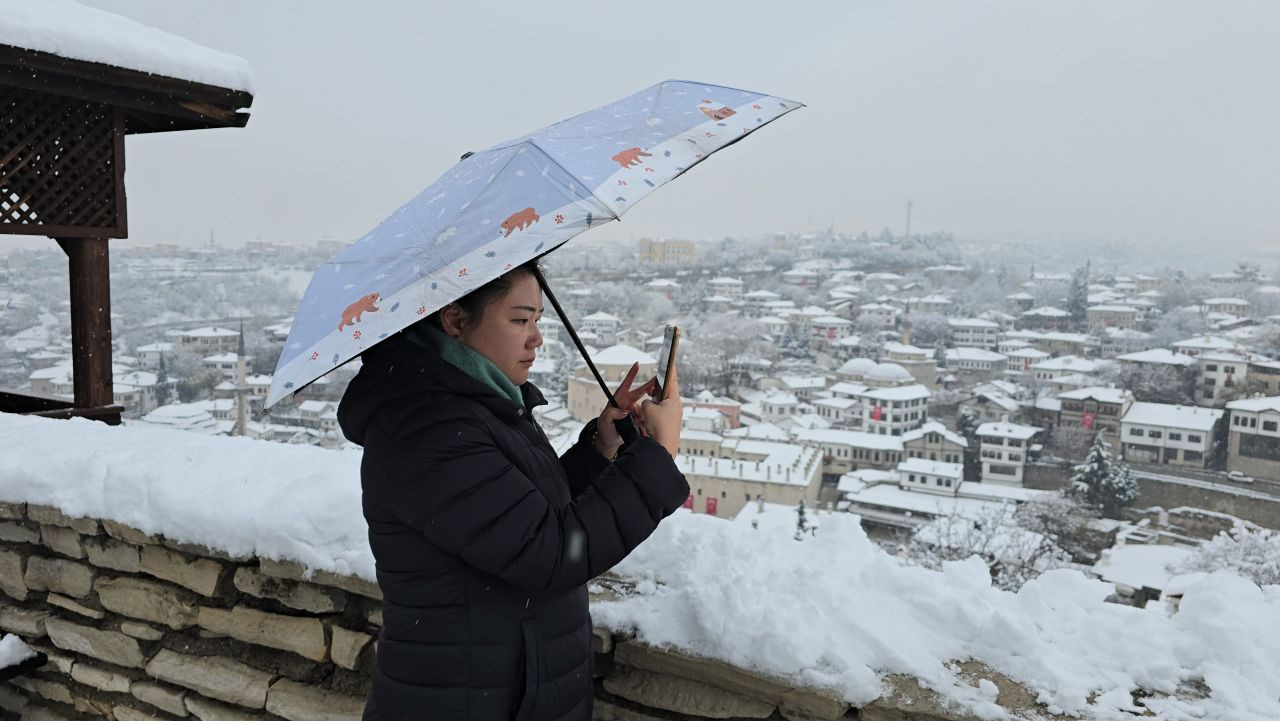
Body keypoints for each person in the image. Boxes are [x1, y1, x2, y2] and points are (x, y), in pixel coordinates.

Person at [337, 260, 689, 721]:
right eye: (520, 320)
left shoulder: (478, 404)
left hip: (509, 688)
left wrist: (603, 445)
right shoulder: (426, 428)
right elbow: (548, 551)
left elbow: (531, 512)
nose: (536, 337)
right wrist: (658, 455)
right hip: (463, 701)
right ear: (456, 321)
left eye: (538, 320)